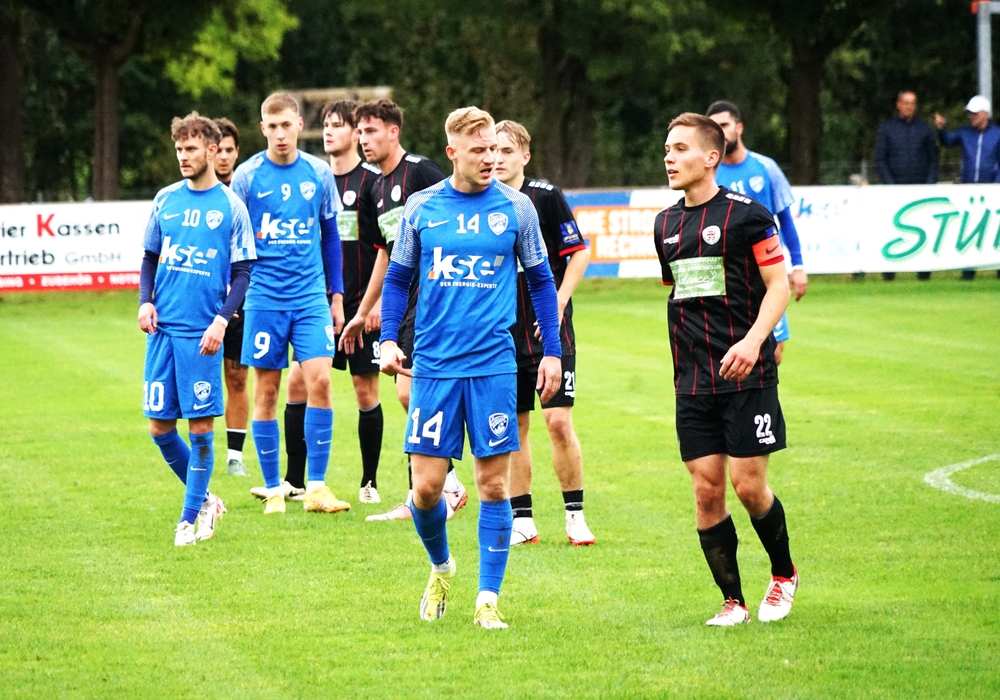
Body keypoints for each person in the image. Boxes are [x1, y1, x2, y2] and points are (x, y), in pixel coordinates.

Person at [378, 106, 563, 629]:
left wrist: (551, 351)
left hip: (494, 365)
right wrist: (388, 340)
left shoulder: (517, 208)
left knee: (494, 485)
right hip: (434, 366)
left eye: (495, 149)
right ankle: (441, 567)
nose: (489, 158)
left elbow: (541, 281)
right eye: (478, 149)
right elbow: (397, 279)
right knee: (426, 489)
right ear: (453, 152)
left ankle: (488, 599)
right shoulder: (421, 207)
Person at [653, 112, 797, 626]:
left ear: (711, 157)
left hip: (747, 373)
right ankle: (733, 601)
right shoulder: (664, 224)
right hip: (692, 378)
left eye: (680, 149)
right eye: (666, 149)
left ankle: (783, 575)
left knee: (748, 486)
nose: (669, 158)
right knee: (706, 490)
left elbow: (778, 285)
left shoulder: (748, 216)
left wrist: (754, 342)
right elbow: (679, 292)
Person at [339, 98, 468, 521]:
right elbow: (385, 253)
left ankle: (438, 487)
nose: (364, 139)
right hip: (405, 300)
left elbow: (459, 215)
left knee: (411, 389)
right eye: (360, 132)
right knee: (410, 390)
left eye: (371, 131)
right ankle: (439, 486)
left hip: (435, 297)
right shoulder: (375, 187)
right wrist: (365, 309)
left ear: (394, 132)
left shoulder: (422, 172)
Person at [138, 112, 256, 545]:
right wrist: (145, 300)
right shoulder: (165, 199)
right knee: (159, 429)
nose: (183, 157)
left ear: (211, 150)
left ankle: (188, 520)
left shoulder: (231, 207)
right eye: (178, 149)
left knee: (202, 429)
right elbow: (150, 256)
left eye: (190, 149)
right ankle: (206, 499)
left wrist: (221, 321)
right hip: (163, 332)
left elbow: (242, 273)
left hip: (202, 334)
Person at [230, 92, 351, 515]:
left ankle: (315, 487)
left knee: (321, 382)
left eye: (287, 125)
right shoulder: (246, 177)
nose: (280, 134)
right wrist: (235, 292)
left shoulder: (319, 173)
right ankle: (272, 489)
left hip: (310, 296)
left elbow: (331, 236)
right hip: (264, 297)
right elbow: (235, 240)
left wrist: (337, 295)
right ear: (262, 128)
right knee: (266, 390)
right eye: (273, 126)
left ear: (300, 124)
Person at [491, 120, 594, 547]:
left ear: (525, 156)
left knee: (558, 421)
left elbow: (578, 253)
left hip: (547, 329)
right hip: (502, 333)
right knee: (514, 426)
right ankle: (523, 520)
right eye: (493, 150)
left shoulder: (545, 197)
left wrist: (559, 302)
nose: (498, 158)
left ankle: (575, 515)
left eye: (507, 151)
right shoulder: (480, 201)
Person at [280, 101, 385, 505]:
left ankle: (369, 482)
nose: (328, 131)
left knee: (364, 390)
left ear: (356, 134)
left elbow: (388, 246)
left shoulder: (372, 182)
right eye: (325, 124)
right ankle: (294, 479)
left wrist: (376, 303)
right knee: (298, 382)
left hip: (361, 304)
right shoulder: (313, 178)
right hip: (316, 304)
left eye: (338, 125)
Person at [707, 101, 806, 365]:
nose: (720, 131)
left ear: (739, 127)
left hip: (767, 273)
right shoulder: (709, 173)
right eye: (714, 127)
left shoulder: (766, 167)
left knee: (774, 352)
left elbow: (785, 219)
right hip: (728, 276)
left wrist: (798, 266)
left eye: (724, 125)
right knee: (727, 350)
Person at [212, 117, 253, 474]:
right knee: (202, 376)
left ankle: (235, 457)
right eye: (219, 150)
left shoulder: (246, 195)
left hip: (241, 301)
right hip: (204, 302)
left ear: (237, 152)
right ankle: (200, 452)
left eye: (230, 150)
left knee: (237, 377)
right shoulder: (196, 197)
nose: (223, 156)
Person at [875, 91, 939, 281]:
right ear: (898, 104)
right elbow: (880, 159)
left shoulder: (924, 129)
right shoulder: (887, 129)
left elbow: (933, 159)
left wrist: (929, 185)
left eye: (912, 103)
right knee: (893, 229)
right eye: (905, 103)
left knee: (922, 229)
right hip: (894, 190)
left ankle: (924, 272)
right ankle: (889, 272)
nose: (909, 107)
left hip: (920, 190)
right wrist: (890, 185)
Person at [935, 95, 1000, 280]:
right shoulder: (964, 132)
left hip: (992, 190)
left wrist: (996, 185)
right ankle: (968, 271)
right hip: (969, 189)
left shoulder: (997, 134)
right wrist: (941, 129)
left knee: (995, 230)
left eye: (975, 114)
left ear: (985, 114)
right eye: (970, 114)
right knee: (969, 229)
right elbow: (947, 141)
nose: (971, 117)